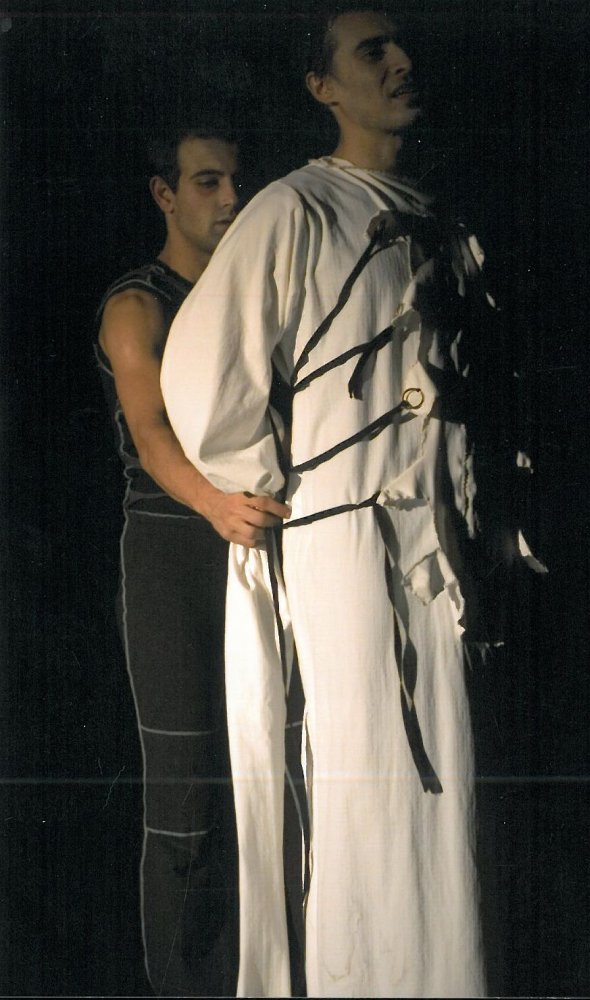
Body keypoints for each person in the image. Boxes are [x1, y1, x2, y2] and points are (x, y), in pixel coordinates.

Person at [161, 6, 540, 996]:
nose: (401, 61)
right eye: (371, 51)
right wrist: (256, 482)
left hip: (446, 550)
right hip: (349, 543)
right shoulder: (295, 209)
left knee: (451, 790)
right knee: (369, 782)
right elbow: (207, 373)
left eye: (402, 44)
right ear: (323, 87)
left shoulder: (446, 219)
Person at [95, 125, 290, 997]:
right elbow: (151, 433)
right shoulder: (138, 304)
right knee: (189, 796)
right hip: (174, 550)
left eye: (237, 180)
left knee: (267, 782)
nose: (231, 199)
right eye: (207, 182)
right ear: (164, 194)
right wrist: (213, 504)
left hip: (260, 543)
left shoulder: (257, 298)